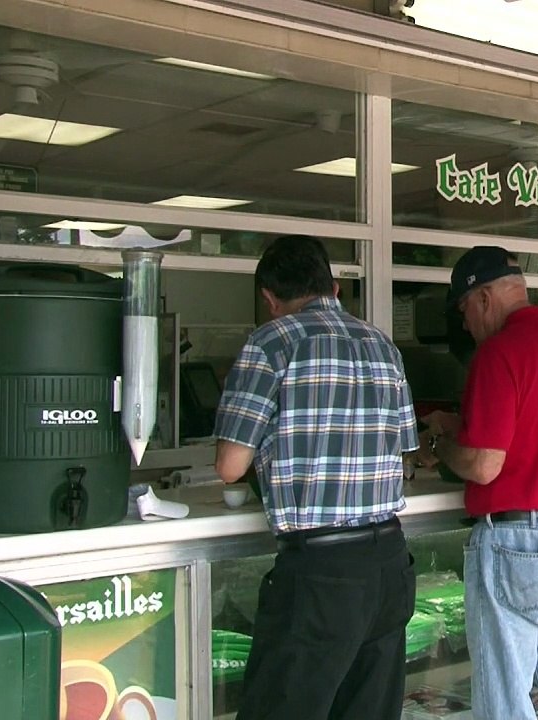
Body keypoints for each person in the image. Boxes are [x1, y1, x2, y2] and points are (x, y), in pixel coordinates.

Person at [213, 234, 419, 720]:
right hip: (389, 564)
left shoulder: (270, 344)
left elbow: (229, 467)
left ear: (269, 297)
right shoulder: (383, 347)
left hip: (320, 576)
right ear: (334, 287)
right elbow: (406, 455)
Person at [417, 246, 538, 720]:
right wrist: (459, 421)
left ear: (482, 298)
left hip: (522, 544)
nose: (465, 325)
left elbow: (483, 465)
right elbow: (536, 426)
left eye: (463, 311)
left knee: (505, 697)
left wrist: (439, 448)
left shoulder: (498, 353)